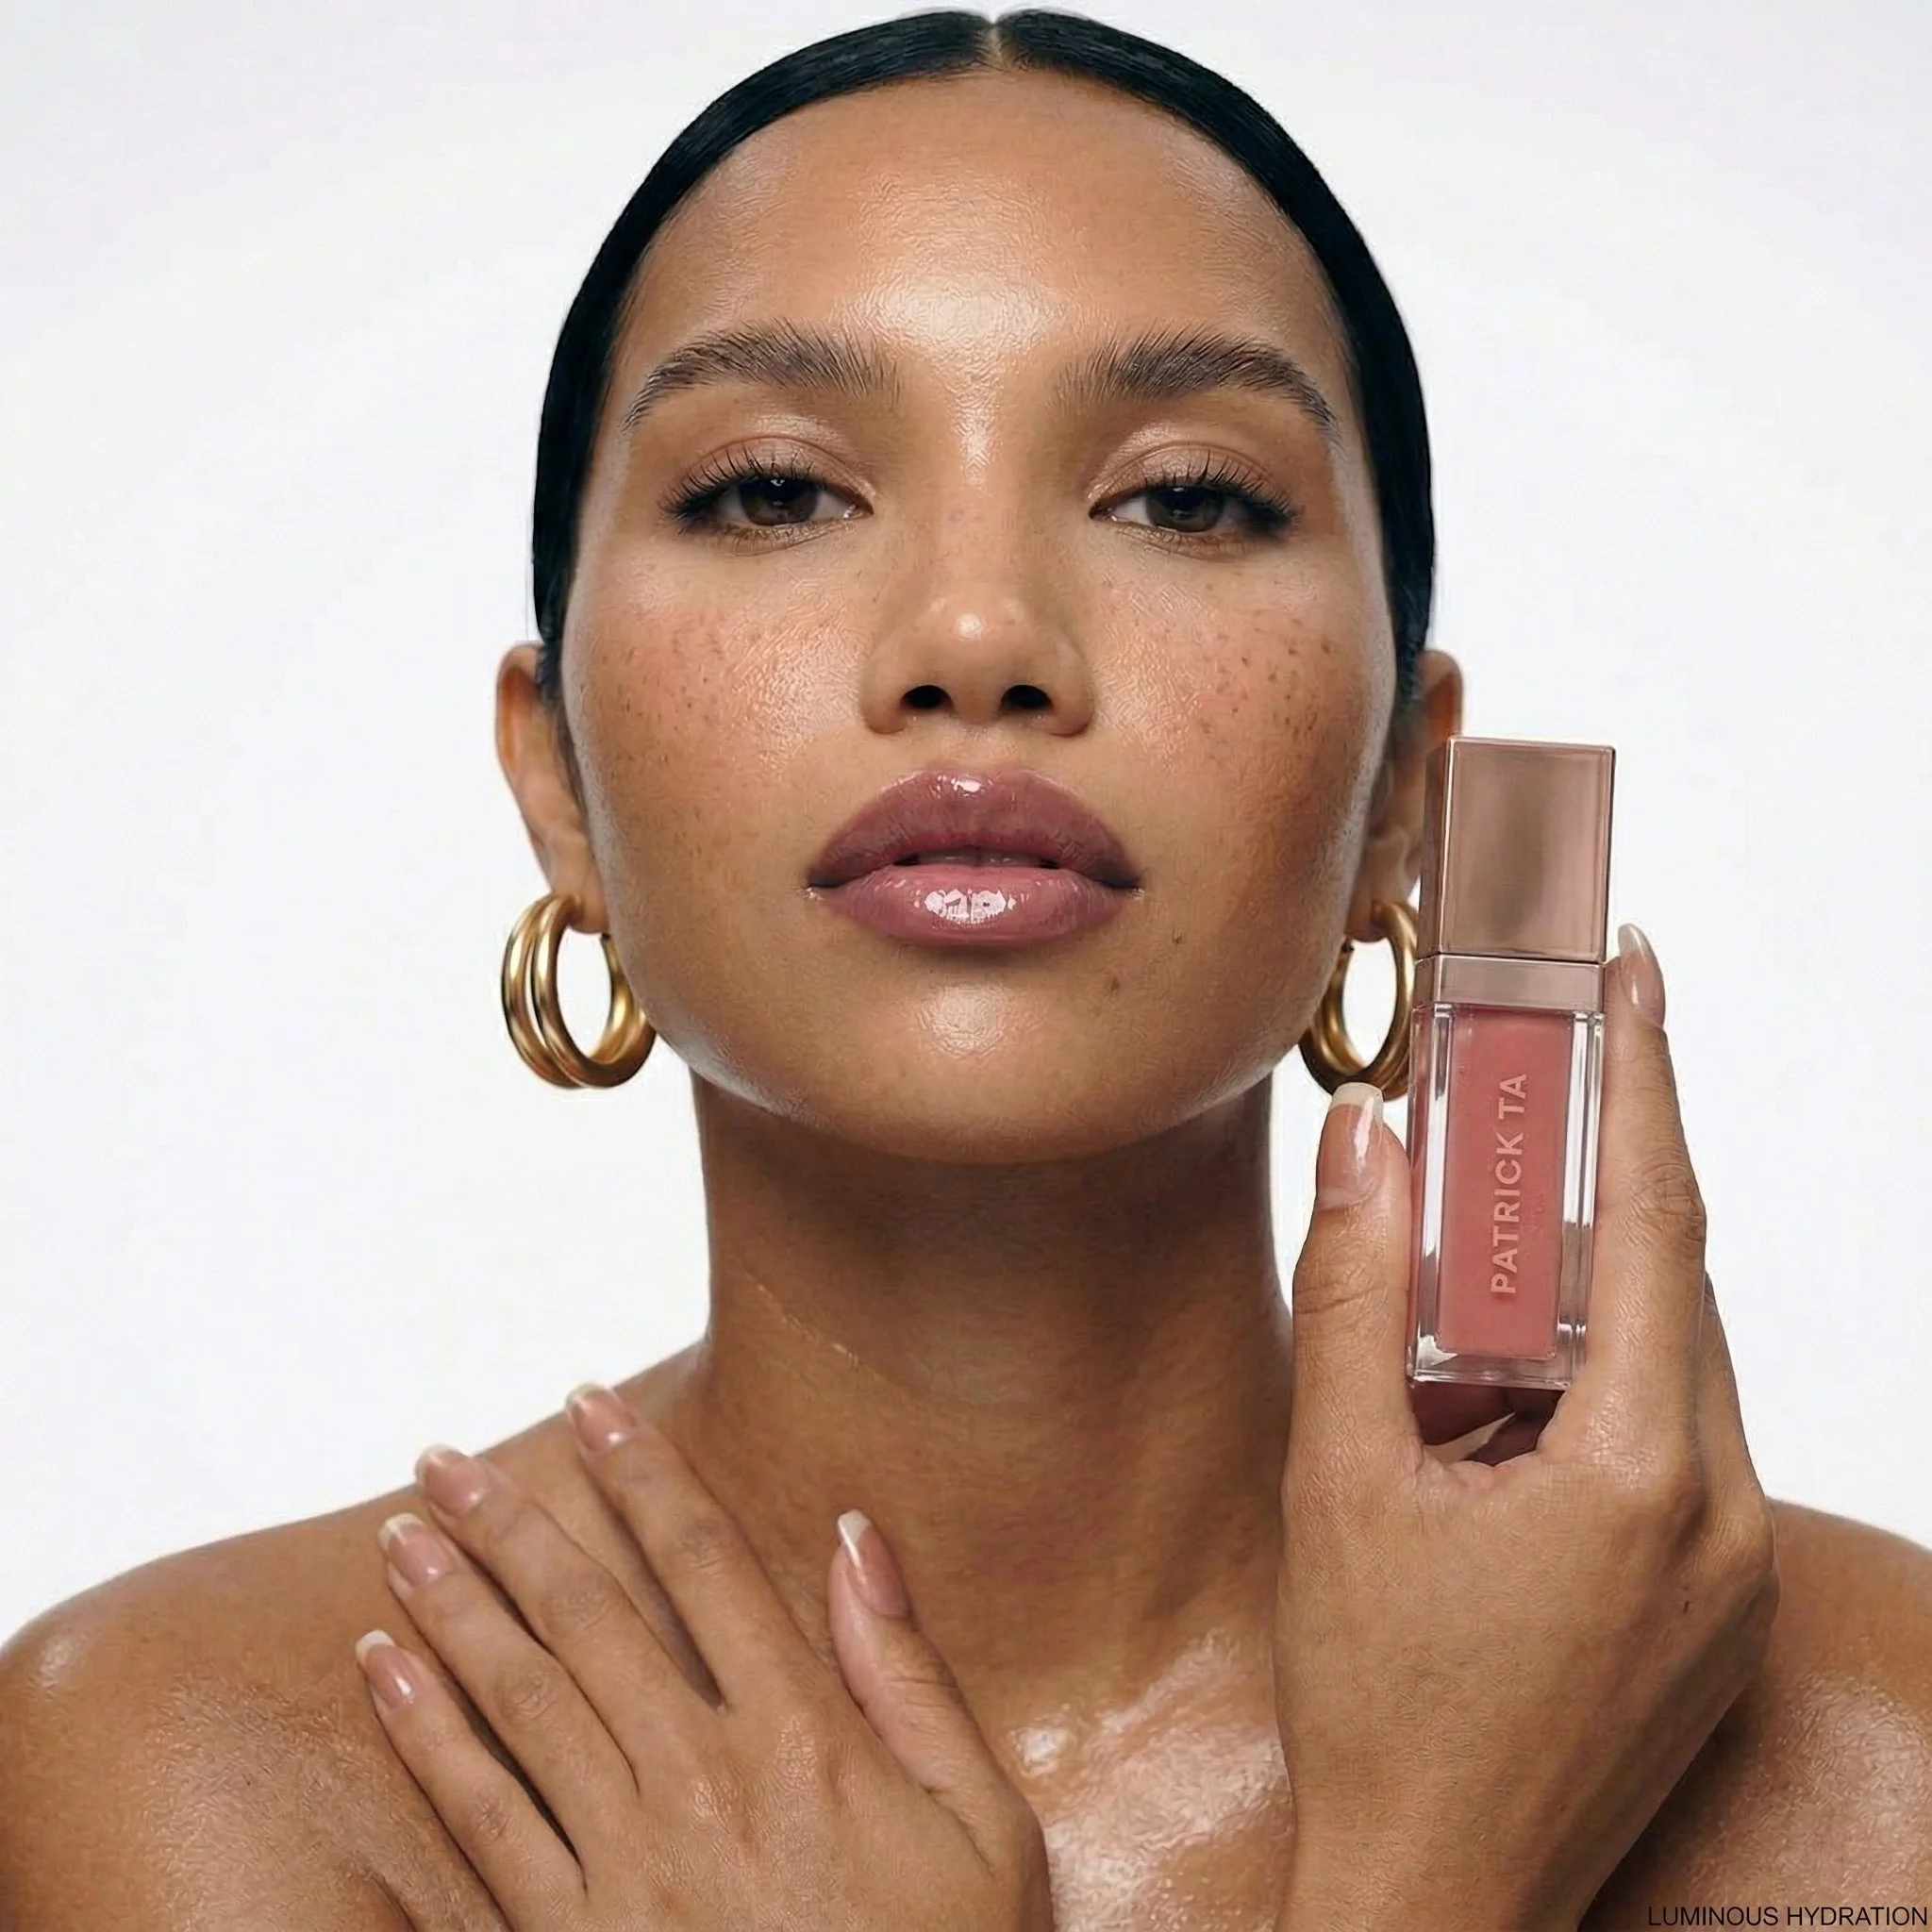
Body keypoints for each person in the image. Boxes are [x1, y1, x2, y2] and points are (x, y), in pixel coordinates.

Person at [3, 11, 1928, 1929]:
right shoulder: (202, 1768)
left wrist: (1433, 1847)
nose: (981, 635)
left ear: (1401, 805)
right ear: (557, 783)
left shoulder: (1882, 1769)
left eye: (1185, 495)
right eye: (771, 488)